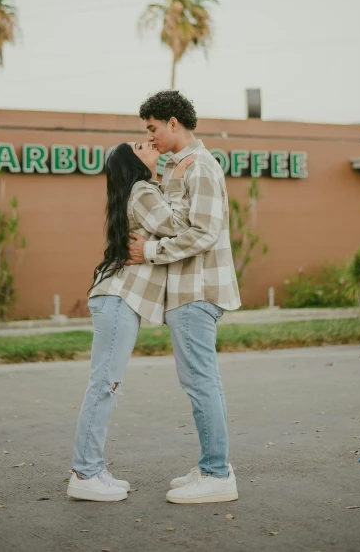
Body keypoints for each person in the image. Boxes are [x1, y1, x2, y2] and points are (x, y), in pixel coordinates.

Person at [127, 90, 241, 504]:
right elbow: (177, 221)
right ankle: (214, 463)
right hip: (186, 290)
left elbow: (205, 231)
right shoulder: (182, 167)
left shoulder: (202, 167)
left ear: (173, 122)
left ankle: (215, 474)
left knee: (200, 382)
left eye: (153, 128)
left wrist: (151, 251)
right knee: (199, 381)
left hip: (198, 290)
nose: (150, 136)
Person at [67, 140, 195, 502]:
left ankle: (90, 466)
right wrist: (177, 180)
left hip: (120, 300)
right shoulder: (141, 190)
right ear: (133, 162)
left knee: (107, 385)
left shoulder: (143, 190)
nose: (149, 142)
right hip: (118, 299)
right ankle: (84, 472)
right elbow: (178, 224)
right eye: (140, 145)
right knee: (104, 385)